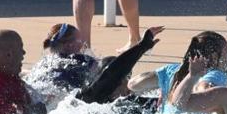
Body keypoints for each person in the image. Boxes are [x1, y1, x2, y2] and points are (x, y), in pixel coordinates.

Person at [28, 21, 164, 105]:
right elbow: (112, 71)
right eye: (80, 40)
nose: (83, 44)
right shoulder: (80, 63)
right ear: (69, 45)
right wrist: (142, 46)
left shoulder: (45, 64)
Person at [127, 30, 227, 113]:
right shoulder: (216, 74)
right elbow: (204, 90)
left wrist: (163, 89)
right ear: (215, 56)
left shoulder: (172, 70)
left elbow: (133, 85)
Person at [0, 29, 47, 114]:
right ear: (9, 54)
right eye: (20, 48)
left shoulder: (6, 76)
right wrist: (30, 110)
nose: (24, 53)